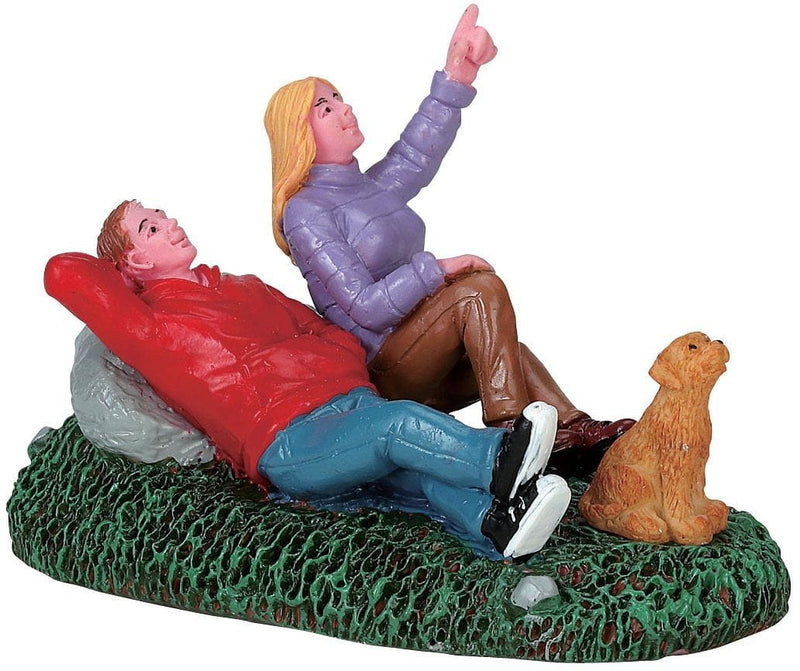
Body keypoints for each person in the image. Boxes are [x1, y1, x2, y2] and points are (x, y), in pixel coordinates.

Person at [46, 200, 572, 560]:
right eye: (150, 228)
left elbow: (324, 331)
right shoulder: (152, 328)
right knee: (398, 427)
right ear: (136, 260)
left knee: (416, 470)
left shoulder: (244, 286)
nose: (169, 222)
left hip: (346, 402)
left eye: (161, 214)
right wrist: (122, 277)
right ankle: (498, 459)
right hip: (288, 441)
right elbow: (62, 271)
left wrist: (327, 366)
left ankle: (497, 524)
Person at [264, 6, 633, 471]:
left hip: (423, 351)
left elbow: (416, 153)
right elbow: (364, 306)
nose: (345, 108)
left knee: (508, 354)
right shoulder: (305, 212)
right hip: (387, 367)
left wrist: (456, 78)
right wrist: (436, 271)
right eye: (326, 108)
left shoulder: (368, 188)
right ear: (299, 133)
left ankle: (572, 431)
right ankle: (511, 433)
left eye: (339, 97)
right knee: (479, 291)